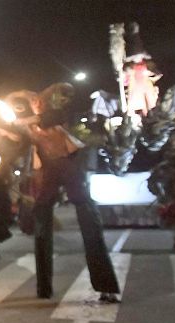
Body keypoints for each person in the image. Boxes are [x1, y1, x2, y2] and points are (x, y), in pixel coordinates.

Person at [20, 83, 121, 302]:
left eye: (38, 102)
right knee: (41, 223)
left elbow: (47, 117)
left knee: (88, 218)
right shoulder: (33, 122)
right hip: (48, 171)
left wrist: (20, 117)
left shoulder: (54, 114)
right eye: (33, 103)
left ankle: (106, 286)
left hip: (68, 167)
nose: (35, 106)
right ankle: (43, 288)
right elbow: (19, 115)